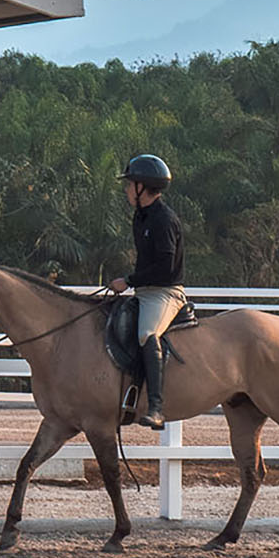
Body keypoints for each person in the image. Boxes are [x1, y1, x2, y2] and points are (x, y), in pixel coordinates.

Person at [107, 153, 185, 430]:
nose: (127, 190)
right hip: (144, 291)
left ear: (142, 187)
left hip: (165, 293)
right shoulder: (141, 217)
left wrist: (128, 280)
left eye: (130, 185)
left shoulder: (163, 220)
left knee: (146, 334)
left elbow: (164, 267)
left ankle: (156, 407)